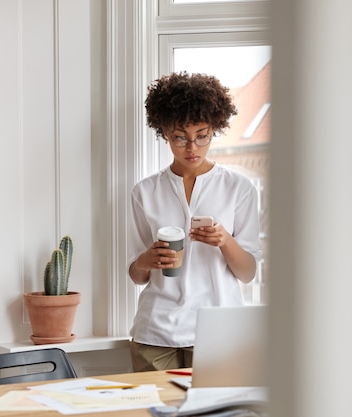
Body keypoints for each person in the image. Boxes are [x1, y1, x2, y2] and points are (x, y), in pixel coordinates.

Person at [127, 72, 263, 372]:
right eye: (180, 137)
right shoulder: (144, 192)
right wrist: (146, 260)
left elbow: (248, 272)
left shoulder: (238, 189)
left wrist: (225, 241)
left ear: (214, 128)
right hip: (156, 331)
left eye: (202, 136)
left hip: (218, 330)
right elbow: (137, 276)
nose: (192, 148)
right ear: (164, 132)